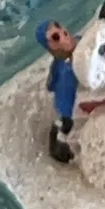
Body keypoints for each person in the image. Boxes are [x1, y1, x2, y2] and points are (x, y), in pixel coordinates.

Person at [37, 20, 79, 163]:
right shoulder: (61, 65)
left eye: (60, 27)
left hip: (84, 100)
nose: (63, 33)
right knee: (69, 124)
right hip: (69, 106)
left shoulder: (82, 46)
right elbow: (52, 82)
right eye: (56, 37)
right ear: (50, 48)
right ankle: (65, 146)